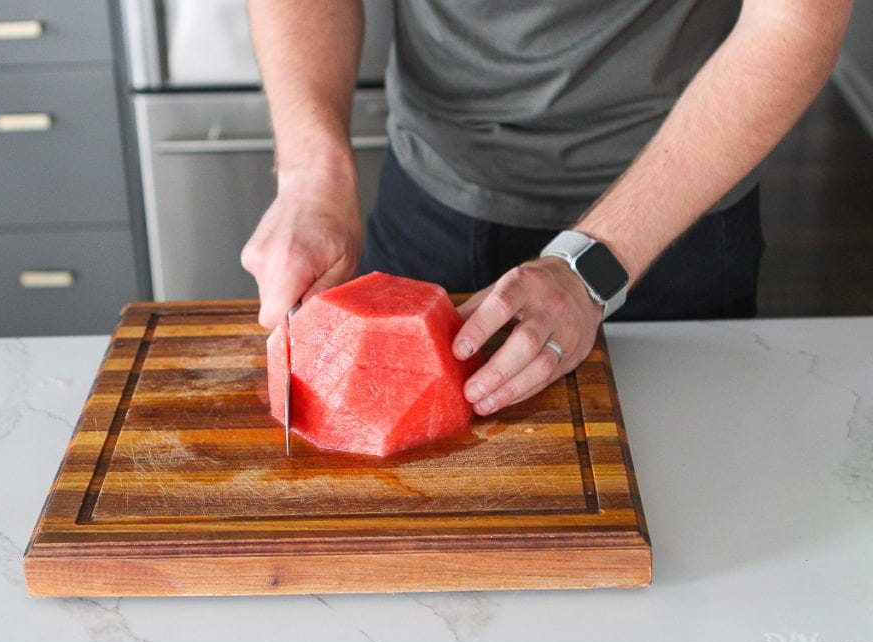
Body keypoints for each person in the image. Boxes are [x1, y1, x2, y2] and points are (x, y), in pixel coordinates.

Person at [240, 0, 853, 416]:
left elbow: (795, 18)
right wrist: (311, 177)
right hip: (434, 193)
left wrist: (596, 266)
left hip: (675, 212)